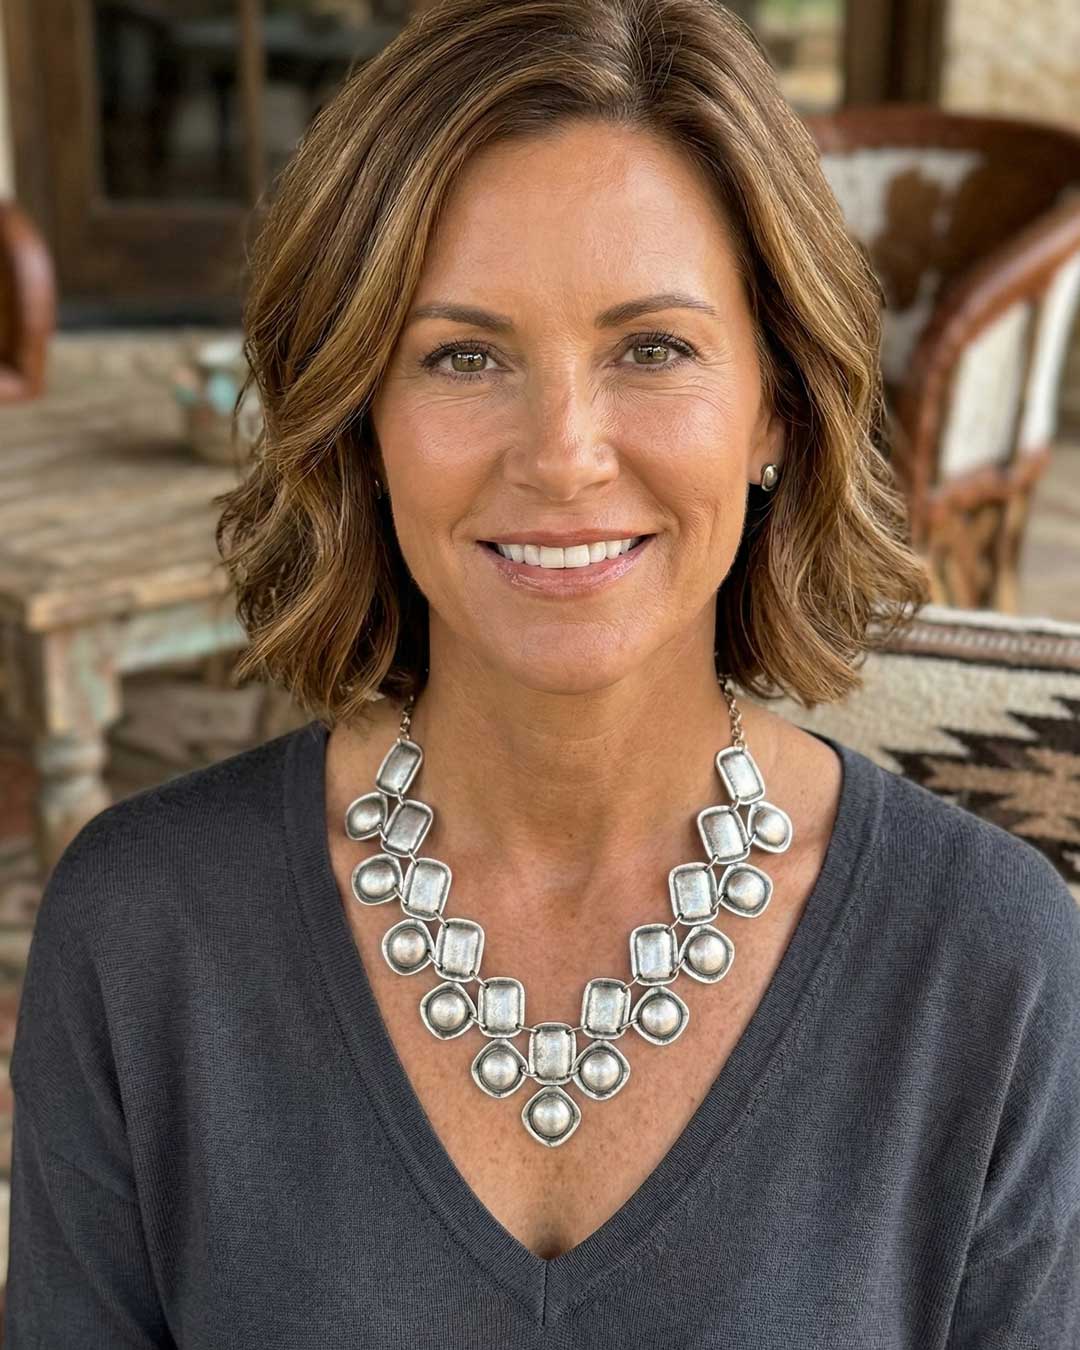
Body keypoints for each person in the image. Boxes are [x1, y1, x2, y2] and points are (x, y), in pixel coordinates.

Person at [7, 0, 1079, 1345]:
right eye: (465, 355)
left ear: (776, 406)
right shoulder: (142, 932)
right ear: (360, 419)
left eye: (653, 348)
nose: (562, 451)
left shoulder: (992, 959)